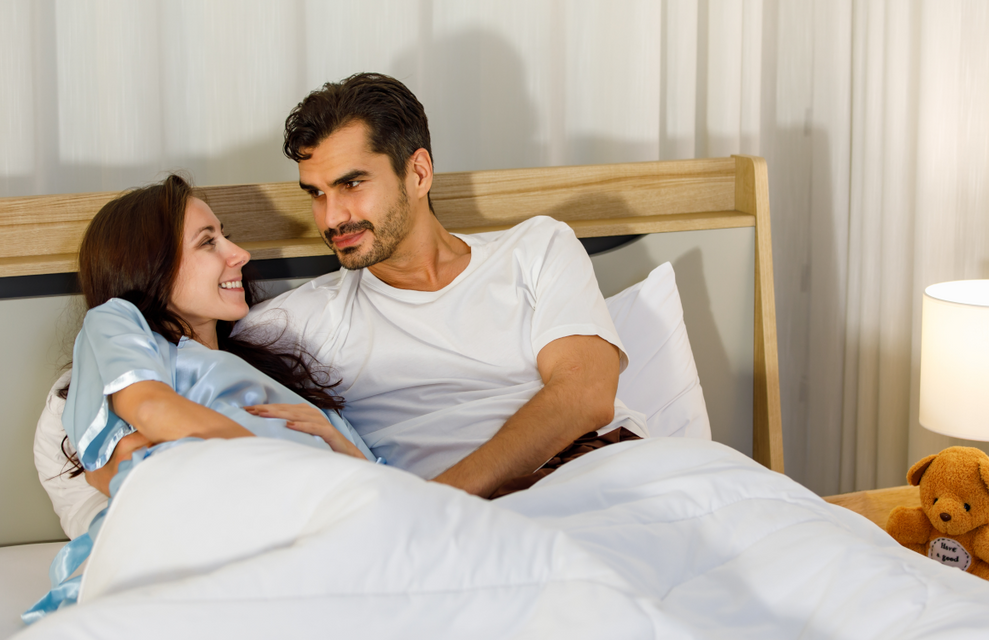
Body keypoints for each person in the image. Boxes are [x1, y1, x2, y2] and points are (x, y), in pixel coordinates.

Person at [238, 72, 649, 499]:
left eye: (352, 184)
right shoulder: (302, 321)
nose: (331, 217)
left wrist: (433, 504)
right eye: (316, 194)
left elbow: (586, 394)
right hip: (463, 525)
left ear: (418, 173)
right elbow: (181, 357)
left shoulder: (537, 248)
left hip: (596, 468)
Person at [25, 173, 379, 623]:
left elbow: (378, 494)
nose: (240, 255)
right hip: (238, 555)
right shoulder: (114, 331)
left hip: (337, 551)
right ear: (150, 264)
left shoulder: (277, 377)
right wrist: (283, 466)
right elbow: (133, 444)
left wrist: (336, 443)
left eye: (225, 236)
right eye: (208, 242)